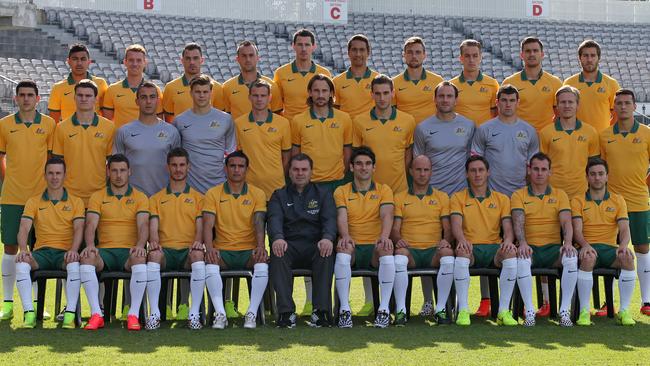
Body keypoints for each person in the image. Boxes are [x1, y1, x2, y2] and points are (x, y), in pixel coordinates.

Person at [413, 81, 475, 314]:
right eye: (441, 96)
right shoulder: (423, 128)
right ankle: (429, 301)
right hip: (433, 197)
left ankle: (460, 302)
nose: (445, 100)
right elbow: (420, 162)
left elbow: (473, 161)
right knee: (429, 246)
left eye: (450, 96)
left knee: (460, 249)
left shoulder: (468, 126)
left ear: (456, 99)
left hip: (460, 197)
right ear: (435, 99)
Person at [0, 80, 56, 321]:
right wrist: (10, 179)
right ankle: (7, 302)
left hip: (40, 199)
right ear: (16, 98)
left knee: (36, 249)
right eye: (21, 95)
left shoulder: (49, 124)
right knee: (11, 247)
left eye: (30, 95)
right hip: (12, 196)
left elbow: (53, 159)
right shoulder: (4, 125)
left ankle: (35, 304)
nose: (25, 99)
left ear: (37, 97)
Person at [80, 154, 150, 331]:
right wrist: (90, 246)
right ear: (108, 172)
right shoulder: (97, 197)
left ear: (129, 172)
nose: (119, 175)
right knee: (87, 258)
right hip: (106, 253)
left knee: (140, 259)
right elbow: (90, 225)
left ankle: (133, 315)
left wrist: (141, 246)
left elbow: (143, 225)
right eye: (114, 171)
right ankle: (97, 314)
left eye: (122, 170)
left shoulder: (140, 197)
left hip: (129, 252)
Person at [13, 158, 84, 328]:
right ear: (45, 175)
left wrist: (74, 250)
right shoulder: (33, 201)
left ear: (65, 175)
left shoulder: (76, 202)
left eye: (58, 173)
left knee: (74, 263)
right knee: (22, 263)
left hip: (64, 254)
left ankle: (70, 315)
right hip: (41, 253)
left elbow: (79, 229)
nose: (54, 177)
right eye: (51, 173)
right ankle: (29, 314)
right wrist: (23, 249)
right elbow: (24, 228)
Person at [267, 153, 337, 328]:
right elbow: (274, 219)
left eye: (304, 169)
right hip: (289, 245)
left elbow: (329, 220)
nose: (300, 173)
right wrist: (277, 238)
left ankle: (320, 312)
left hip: (315, 245)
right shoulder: (279, 195)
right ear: (289, 172)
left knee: (327, 251)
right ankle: (286, 312)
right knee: (278, 253)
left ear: (311, 172)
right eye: (295, 169)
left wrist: (327, 238)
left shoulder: (323, 193)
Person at [201, 150, 268, 329]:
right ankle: (220, 314)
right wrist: (209, 248)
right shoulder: (213, 193)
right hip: (222, 251)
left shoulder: (258, 194)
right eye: (232, 166)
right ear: (225, 169)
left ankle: (251, 313)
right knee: (210, 263)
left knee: (261, 261)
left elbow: (259, 222)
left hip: (248, 252)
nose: (236, 170)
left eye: (240, 166)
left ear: (247, 169)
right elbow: (208, 225)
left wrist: (261, 246)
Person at [450, 155, 518, 326]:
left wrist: (508, 241)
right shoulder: (457, 198)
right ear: (466, 174)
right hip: (471, 248)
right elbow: (456, 225)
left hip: (494, 249)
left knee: (510, 253)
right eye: (473, 171)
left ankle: (503, 311)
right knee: (461, 252)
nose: (477, 174)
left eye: (481, 170)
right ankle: (463, 310)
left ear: (488, 173)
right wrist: (461, 240)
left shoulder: (501, 199)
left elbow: (508, 228)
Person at [600, 89, 650, 316]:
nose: (622, 107)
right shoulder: (604, 136)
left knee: (641, 247)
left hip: (638, 200)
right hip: (611, 203)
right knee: (610, 251)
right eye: (618, 103)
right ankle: (607, 302)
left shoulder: (647, 133)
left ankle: (646, 300)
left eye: (626, 103)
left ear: (634, 106)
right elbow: (598, 170)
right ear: (614, 107)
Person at [333, 146, 395, 328]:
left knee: (386, 248)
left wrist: (384, 237)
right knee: (343, 249)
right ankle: (345, 310)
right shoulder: (341, 191)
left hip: (374, 247)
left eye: (368, 164)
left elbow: (387, 215)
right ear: (351, 167)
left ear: (374, 168)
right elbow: (341, 216)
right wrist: (345, 236)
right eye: (359, 164)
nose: (363, 167)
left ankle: (383, 310)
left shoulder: (384, 190)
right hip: (354, 245)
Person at [510, 153, 575, 326]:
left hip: (553, 250)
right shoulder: (519, 195)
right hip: (530, 249)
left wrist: (567, 242)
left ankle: (564, 312)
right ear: (529, 170)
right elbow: (518, 222)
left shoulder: (560, 194)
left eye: (544, 169)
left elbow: (567, 222)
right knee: (522, 260)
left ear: (550, 172)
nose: (540, 173)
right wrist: (522, 243)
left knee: (571, 257)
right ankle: (530, 312)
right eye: (536, 169)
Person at [571, 157, 636, 326]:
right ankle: (585, 312)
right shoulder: (578, 200)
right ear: (587, 177)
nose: (597, 178)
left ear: (607, 176)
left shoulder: (618, 200)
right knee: (588, 257)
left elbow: (624, 228)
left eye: (600, 174)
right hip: (588, 247)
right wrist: (585, 245)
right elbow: (576, 231)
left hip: (609, 249)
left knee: (628, 257)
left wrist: (623, 246)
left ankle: (624, 311)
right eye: (592, 174)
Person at [145, 148, 205, 330]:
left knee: (198, 255)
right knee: (154, 255)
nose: (178, 169)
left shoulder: (199, 198)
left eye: (181, 165)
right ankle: (154, 314)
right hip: (166, 253)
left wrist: (198, 240)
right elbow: (153, 226)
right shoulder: (156, 198)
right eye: (174, 165)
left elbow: (200, 226)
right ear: (167, 168)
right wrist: (154, 241)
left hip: (187, 252)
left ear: (188, 167)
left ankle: (194, 314)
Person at [391, 155, 453, 325]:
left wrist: (446, 240)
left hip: (433, 251)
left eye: (426, 170)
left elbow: (448, 228)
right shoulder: (399, 197)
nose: (422, 174)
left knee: (448, 254)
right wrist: (398, 239)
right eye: (418, 169)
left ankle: (440, 309)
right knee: (399, 256)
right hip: (411, 251)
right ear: (411, 172)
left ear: (431, 172)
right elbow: (395, 229)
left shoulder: (442, 197)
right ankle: (401, 311)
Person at [52, 79, 115, 205]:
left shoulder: (109, 127)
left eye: (88, 95)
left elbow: (112, 165)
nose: (84, 99)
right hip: (69, 196)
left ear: (96, 99)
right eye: (80, 95)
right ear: (74, 98)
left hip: (99, 195)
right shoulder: (61, 127)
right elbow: (57, 164)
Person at [113, 81, 181, 197]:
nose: (148, 101)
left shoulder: (171, 132)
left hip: (163, 198)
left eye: (152, 97)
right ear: (137, 102)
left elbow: (178, 167)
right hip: (133, 199)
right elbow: (116, 167)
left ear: (158, 101)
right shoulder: (124, 132)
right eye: (143, 97)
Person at [173, 75, 236, 195]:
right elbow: (177, 155)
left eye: (205, 92)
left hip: (219, 185)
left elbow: (231, 153)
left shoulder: (226, 119)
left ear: (211, 93)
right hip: (190, 186)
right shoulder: (180, 121)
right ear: (191, 93)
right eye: (197, 92)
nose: (201, 95)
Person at [471, 84, 539, 197]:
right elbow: (475, 162)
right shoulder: (484, 129)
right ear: (497, 102)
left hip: (520, 194)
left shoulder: (529, 131)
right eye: (504, 100)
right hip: (492, 194)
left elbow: (532, 166)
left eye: (512, 100)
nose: (508, 104)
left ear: (518, 103)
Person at [353, 74, 415, 194]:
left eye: (386, 93)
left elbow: (408, 153)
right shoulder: (359, 121)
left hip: (399, 189)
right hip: (370, 189)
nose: (382, 98)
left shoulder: (408, 120)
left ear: (393, 93)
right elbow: (356, 155)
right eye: (377, 94)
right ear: (371, 95)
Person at [291, 74, 352, 190]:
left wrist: (341, 171)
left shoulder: (345, 118)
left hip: (336, 182)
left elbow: (347, 151)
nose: (320, 95)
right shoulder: (298, 120)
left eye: (324, 91)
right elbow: (296, 153)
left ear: (331, 94)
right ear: (310, 92)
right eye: (316, 91)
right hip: (308, 182)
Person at [234, 80, 291, 199]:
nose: (259, 99)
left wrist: (277, 175)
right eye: (255, 95)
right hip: (249, 188)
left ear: (270, 97)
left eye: (263, 95)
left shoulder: (283, 123)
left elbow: (286, 157)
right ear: (249, 97)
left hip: (276, 188)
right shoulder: (238, 124)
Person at [540, 86, 599, 199]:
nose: (567, 106)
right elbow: (541, 167)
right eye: (563, 102)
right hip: (553, 194)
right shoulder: (546, 133)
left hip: (582, 193)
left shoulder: (590, 132)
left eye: (570, 102)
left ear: (577, 105)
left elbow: (594, 167)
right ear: (557, 106)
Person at [502, 37, 562, 132]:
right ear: (522, 55)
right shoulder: (509, 82)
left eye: (535, 51)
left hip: (546, 137)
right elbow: (503, 114)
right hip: (519, 137)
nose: (532, 54)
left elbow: (560, 114)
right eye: (528, 51)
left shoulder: (555, 82)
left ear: (542, 54)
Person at [274, 29, 331, 122]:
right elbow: (277, 108)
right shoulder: (280, 73)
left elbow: (328, 105)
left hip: (315, 128)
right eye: (300, 45)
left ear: (314, 47)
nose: (303, 49)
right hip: (290, 128)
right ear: (293, 46)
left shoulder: (324, 73)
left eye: (307, 45)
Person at [563, 40, 620, 132]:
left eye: (593, 56)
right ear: (579, 58)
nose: (589, 60)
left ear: (599, 58)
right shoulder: (569, 83)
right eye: (585, 56)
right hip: (576, 140)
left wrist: (607, 133)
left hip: (601, 141)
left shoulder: (611, 84)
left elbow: (617, 115)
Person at [102, 44, 163, 128]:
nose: (135, 64)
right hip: (121, 140)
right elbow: (107, 123)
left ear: (145, 63)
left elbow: (159, 122)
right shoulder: (112, 89)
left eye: (138, 60)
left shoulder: (155, 90)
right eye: (131, 60)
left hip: (147, 139)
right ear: (125, 62)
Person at [163, 42, 224, 122]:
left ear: (202, 60)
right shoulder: (170, 88)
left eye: (195, 58)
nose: (192, 62)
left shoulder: (216, 87)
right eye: (188, 58)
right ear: (182, 61)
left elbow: (220, 119)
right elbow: (169, 121)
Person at [48, 43, 108, 122]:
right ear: (68, 61)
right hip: (68, 133)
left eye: (83, 59)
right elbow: (54, 121)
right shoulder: (58, 87)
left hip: (94, 133)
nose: (79, 63)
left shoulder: (101, 83)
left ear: (89, 62)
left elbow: (107, 117)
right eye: (75, 59)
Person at [223, 40, 282, 119]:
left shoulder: (271, 86)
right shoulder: (227, 87)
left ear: (257, 58)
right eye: (244, 56)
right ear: (237, 59)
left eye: (251, 55)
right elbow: (225, 117)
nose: (248, 59)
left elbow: (277, 116)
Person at [392, 36, 443, 124]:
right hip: (405, 134)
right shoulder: (393, 83)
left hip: (431, 134)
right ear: (404, 55)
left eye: (418, 52)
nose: (414, 56)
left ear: (424, 55)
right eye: (410, 52)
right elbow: (391, 113)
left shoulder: (437, 81)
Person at [450, 39, 500, 126]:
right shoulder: (451, 86)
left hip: (484, 136)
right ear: (461, 58)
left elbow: (496, 114)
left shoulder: (492, 84)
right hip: (459, 136)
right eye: (467, 56)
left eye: (475, 56)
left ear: (480, 57)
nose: (471, 60)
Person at [333, 34, 379, 119]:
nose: (358, 54)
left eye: (362, 50)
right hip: (346, 130)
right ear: (348, 52)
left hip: (370, 130)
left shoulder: (378, 80)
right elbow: (335, 111)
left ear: (368, 53)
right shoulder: (336, 81)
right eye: (354, 50)